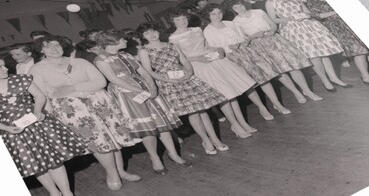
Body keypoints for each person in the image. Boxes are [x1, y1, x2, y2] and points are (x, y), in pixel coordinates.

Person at [29, 35, 141, 191]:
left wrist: (73, 88)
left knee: (114, 140)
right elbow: (43, 96)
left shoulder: (80, 62)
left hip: (100, 105)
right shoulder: (37, 69)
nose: (54, 49)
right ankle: (112, 173)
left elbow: (100, 82)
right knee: (100, 143)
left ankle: (121, 171)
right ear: (41, 50)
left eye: (57, 45)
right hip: (73, 112)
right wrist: (50, 117)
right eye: (48, 46)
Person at [94, 30, 191, 174]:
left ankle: (173, 154)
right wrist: (139, 91)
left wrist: (152, 86)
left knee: (162, 123)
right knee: (147, 127)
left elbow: (144, 71)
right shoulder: (101, 59)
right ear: (112, 42)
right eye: (122, 39)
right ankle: (155, 158)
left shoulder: (126, 55)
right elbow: (115, 80)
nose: (126, 41)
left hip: (144, 87)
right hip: (126, 93)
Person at [203, 4, 323, 115]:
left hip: (248, 51)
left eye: (219, 13)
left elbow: (242, 37)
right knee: (254, 83)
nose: (217, 16)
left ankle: (280, 103)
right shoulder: (208, 30)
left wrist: (244, 41)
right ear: (208, 16)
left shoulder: (229, 23)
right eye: (213, 14)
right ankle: (273, 106)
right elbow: (212, 47)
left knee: (268, 76)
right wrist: (228, 47)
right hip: (232, 57)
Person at [136, 22, 230, 155]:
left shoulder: (171, 45)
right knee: (193, 112)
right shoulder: (144, 51)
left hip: (185, 78)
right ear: (143, 36)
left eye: (154, 31)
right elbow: (149, 71)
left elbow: (184, 61)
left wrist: (189, 72)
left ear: (159, 31)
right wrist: (168, 80)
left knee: (202, 110)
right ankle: (206, 141)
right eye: (147, 33)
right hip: (168, 82)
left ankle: (215, 139)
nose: (152, 35)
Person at [0, 57, 86, 196]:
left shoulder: (21, 79)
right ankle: (53, 192)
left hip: (37, 124)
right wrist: (6, 128)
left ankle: (67, 192)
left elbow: (40, 96)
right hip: (13, 131)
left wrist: (37, 111)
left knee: (54, 159)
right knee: (35, 163)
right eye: (0, 67)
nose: (6, 69)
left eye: (4, 65)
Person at [168, 9, 259, 139]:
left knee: (232, 93)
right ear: (173, 22)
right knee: (223, 96)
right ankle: (235, 125)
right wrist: (197, 59)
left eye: (184, 19)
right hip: (198, 65)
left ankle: (243, 123)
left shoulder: (197, 30)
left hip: (212, 59)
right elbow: (179, 58)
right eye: (178, 20)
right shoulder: (173, 38)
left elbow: (207, 46)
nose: (182, 22)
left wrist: (219, 50)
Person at [228, 0, 323, 106]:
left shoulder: (258, 12)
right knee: (280, 71)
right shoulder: (236, 22)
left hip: (275, 40)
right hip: (259, 46)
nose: (239, 8)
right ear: (232, 10)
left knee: (293, 66)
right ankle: (297, 93)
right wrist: (254, 36)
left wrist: (272, 30)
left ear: (244, 4)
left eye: (240, 5)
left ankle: (308, 91)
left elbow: (273, 24)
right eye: (235, 7)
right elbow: (244, 39)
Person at [292, 0, 369, 84]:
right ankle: (365, 76)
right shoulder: (311, 1)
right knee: (359, 51)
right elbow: (318, 16)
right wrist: (336, 11)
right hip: (337, 27)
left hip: (352, 22)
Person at [265, 0, 350, 92]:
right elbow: (274, 19)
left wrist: (304, 15)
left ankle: (334, 78)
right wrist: (291, 18)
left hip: (309, 26)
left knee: (324, 53)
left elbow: (308, 12)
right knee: (314, 57)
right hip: (293, 30)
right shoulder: (270, 2)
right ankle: (325, 81)